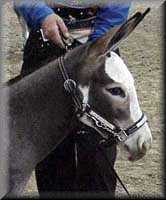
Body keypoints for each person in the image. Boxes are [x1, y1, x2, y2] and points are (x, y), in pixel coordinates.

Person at [13, 0, 132, 196]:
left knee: (98, 149)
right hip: (45, 47)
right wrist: (42, 15)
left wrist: (96, 44)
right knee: (51, 154)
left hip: (99, 45)